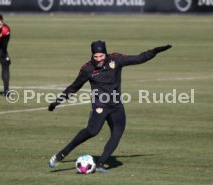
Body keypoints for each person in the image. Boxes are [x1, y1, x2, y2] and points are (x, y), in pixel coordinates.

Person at [48, 40, 172, 173]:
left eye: (101, 56)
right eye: (95, 57)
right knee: (92, 131)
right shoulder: (87, 68)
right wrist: (57, 101)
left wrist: (155, 51)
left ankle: (100, 163)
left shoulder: (116, 59)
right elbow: (74, 87)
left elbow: (139, 58)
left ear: (105, 54)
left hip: (116, 105)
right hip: (100, 105)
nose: (98, 60)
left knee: (117, 133)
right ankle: (61, 155)